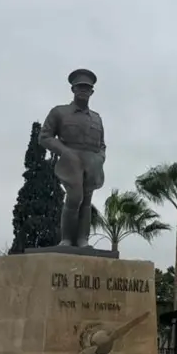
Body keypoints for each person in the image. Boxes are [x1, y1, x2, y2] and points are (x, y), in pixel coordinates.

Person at [38, 69, 106, 248]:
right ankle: (67, 239)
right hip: (70, 162)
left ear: (92, 92)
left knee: (87, 200)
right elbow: (44, 136)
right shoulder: (60, 112)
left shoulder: (97, 118)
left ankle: (83, 239)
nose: (83, 91)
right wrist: (64, 152)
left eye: (87, 88)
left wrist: (100, 158)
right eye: (79, 87)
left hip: (92, 163)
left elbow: (102, 144)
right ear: (73, 90)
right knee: (74, 197)